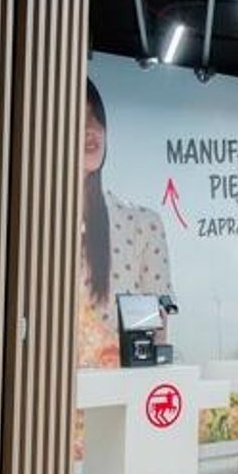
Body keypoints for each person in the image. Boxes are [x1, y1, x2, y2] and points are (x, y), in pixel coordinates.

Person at [76, 77, 175, 370]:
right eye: (78, 117)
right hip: (47, 387)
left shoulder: (143, 223)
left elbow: (158, 331)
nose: (91, 129)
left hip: (121, 387)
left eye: (96, 117)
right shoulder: (30, 227)